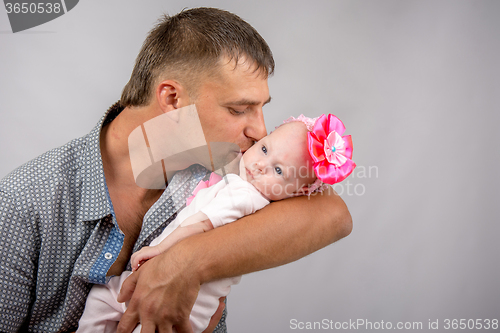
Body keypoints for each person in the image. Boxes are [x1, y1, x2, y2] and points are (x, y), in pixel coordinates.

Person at [0, 7, 352, 333]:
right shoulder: (25, 202)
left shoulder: (226, 165)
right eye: (238, 109)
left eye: (260, 108)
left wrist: (187, 260)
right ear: (172, 99)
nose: (260, 131)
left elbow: (334, 214)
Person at [77, 114, 355, 333]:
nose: (259, 164)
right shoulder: (248, 185)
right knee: (111, 301)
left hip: (183, 302)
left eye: (279, 170)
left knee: (107, 301)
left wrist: (160, 251)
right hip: (193, 304)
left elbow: (199, 226)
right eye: (265, 148)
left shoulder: (244, 197)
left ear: (295, 193)